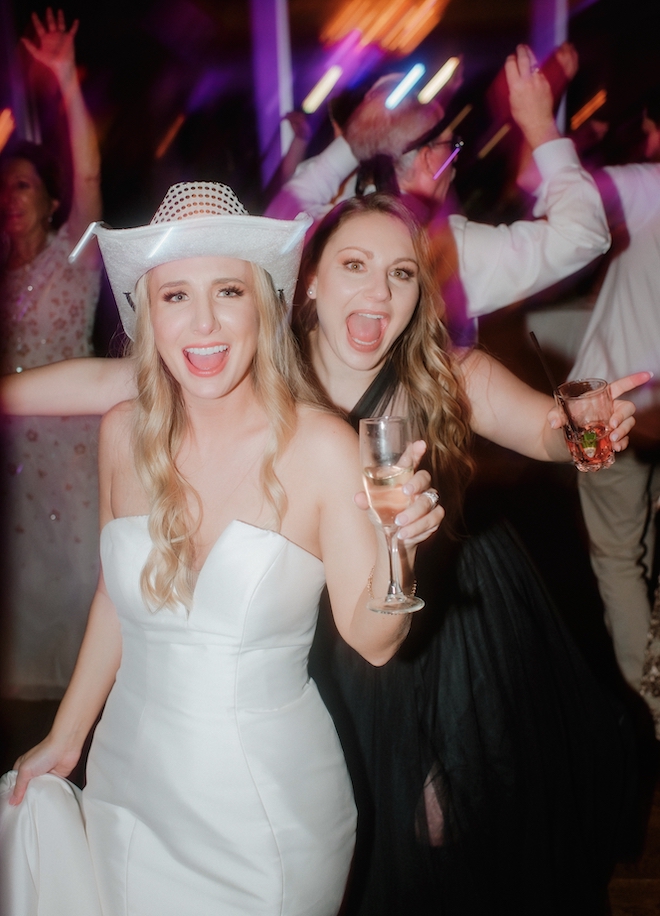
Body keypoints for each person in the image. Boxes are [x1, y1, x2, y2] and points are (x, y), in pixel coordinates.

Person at [0, 191, 647, 916]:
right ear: (308, 281)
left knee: (441, 827)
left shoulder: (441, 375)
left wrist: (583, 430)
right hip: (297, 638)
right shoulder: (250, 367)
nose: (379, 290)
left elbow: (544, 432)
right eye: (355, 265)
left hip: (430, 619)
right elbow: (115, 382)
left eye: (402, 274)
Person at [0, 182, 442, 916]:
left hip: (263, 815)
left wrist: (398, 553)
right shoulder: (123, 434)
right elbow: (119, 596)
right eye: (175, 296)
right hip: (125, 791)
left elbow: (372, 641)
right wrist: (67, 733)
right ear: (147, 313)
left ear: (263, 305)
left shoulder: (322, 447)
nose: (203, 322)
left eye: (228, 291)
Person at [266, 45, 611, 338]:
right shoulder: (454, 250)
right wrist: (539, 123)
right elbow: (584, 234)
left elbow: (282, 211)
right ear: (430, 159)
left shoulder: (339, 228)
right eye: (452, 146)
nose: (456, 159)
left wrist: (353, 143)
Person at [0, 9, 102, 699]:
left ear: (53, 198)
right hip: (13, 470)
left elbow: (91, 171)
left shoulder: (77, 259)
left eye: (22, 185)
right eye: (1, 189)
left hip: (75, 459)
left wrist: (64, 78)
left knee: (79, 583)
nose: (8, 200)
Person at [568, 93, 660, 730]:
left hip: (618, 406)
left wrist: (547, 129)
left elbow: (552, 194)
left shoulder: (647, 186)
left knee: (616, 555)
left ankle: (646, 707)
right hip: (639, 410)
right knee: (641, 543)